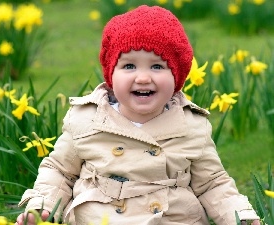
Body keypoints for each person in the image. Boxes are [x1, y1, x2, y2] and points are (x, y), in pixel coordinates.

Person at [16, 5, 260, 225]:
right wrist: (43, 206)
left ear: (177, 77)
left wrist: (239, 217)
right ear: (111, 75)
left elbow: (213, 184)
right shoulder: (87, 119)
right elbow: (59, 170)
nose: (143, 78)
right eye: (129, 66)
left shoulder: (191, 125)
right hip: (101, 217)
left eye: (157, 66)